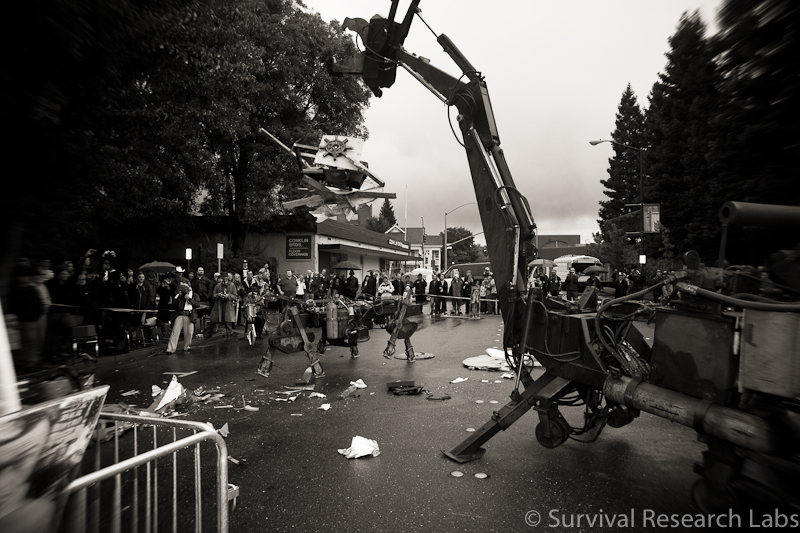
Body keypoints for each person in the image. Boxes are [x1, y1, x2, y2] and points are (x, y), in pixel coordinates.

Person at [166, 267, 197, 354]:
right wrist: (179, 296)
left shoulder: (194, 295)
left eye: (187, 284)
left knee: (190, 333)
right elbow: (175, 304)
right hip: (180, 314)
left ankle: (187, 346)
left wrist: (189, 299)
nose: (186, 285)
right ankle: (171, 349)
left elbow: (196, 304)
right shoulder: (179, 294)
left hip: (189, 314)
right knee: (175, 332)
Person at [211, 272, 238, 339]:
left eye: (225, 278)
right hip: (220, 305)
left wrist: (228, 296)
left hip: (228, 305)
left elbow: (235, 296)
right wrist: (218, 295)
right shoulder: (218, 286)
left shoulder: (232, 285)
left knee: (228, 321)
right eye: (223, 278)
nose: (224, 279)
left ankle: (229, 334)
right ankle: (215, 333)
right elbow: (213, 295)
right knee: (218, 320)